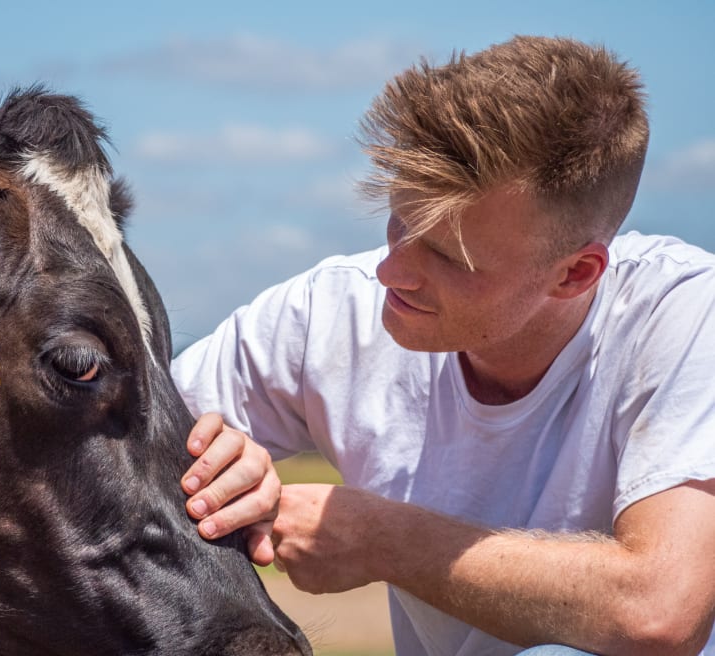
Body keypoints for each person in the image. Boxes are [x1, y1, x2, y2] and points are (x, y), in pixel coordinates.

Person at [171, 35, 715, 656]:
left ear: (576, 274)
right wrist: (223, 467)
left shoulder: (687, 314)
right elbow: (104, 445)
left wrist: (382, 538)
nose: (390, 273)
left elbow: (659, 616)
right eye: (400, 221)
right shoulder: (330, 313)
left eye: (448, 255)